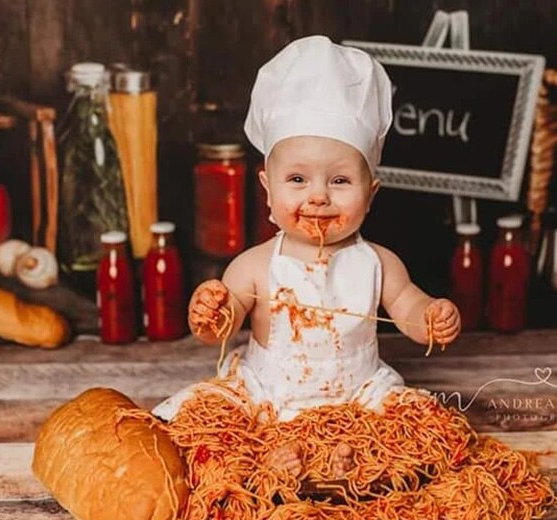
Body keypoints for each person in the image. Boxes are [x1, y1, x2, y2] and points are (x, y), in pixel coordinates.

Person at [152, 36, 461, 479]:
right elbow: (223, 326)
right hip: (270, 395)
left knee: (428, 427)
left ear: (370, 195)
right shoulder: (255, 265)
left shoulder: (378, 263)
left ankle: (354, 461)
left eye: (339, 181)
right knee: (208, 432)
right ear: (267, 188)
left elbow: (410, 308)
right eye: (297, 179)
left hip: (360, 396)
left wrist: (431, 316)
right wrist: (211, 313)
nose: (318, 197)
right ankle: (272, 460)